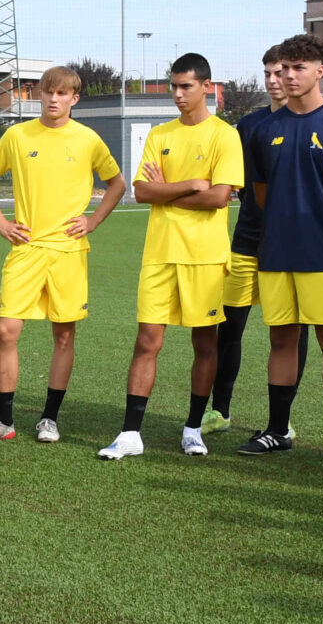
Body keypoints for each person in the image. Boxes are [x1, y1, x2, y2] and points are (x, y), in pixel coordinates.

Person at [0, 65, 121, 444]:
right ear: (38, 94)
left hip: (68, 251)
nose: (54, 99)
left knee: (64, 335)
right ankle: (4, 420)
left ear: (74, 98)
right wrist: (1, 222)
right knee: (6, 331)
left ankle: (49, 418)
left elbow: (117, 183)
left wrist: (93, 222)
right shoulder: (18, 136)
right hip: (27, 248)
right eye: (48, 92)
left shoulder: (88, 139)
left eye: (62, 94)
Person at [237, 34, 323, 461]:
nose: (289, 76)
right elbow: (258, 193)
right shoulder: (264, 129)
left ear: (320, 71)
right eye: (284, 68)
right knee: (281, 340)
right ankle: (277, 430)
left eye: (298, 67)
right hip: (274, 253)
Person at [102, 54, 242, 461]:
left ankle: (193, 429)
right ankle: (130, 433)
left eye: (186, 86)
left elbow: (219, 197)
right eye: (174, 86)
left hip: (204, 256)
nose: (178, 94)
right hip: (160, 254)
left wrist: (171, 190)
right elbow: (142, 192)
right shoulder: (160, 135)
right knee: (147, 340)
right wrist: (191, 184)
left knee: (204, 342)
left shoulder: (224, 135)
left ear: (207, 87)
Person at [213, 57, 308, 429]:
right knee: (230, 326)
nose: (273, 80)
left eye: (280, 72)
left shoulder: (312, 124)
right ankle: (219, 410)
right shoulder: (249, 125)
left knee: (289, 332)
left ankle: (281, 421)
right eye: (266, 73)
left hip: (292, 246)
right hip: (247, 239)